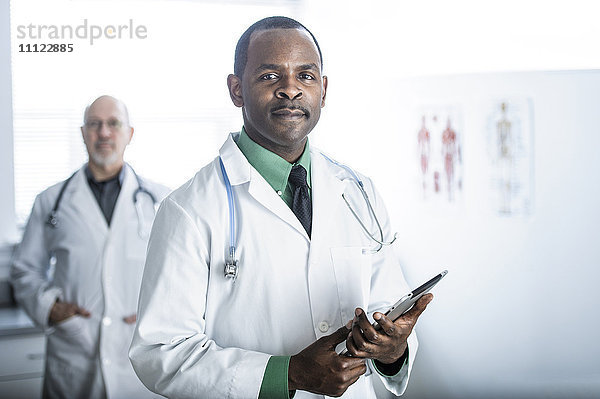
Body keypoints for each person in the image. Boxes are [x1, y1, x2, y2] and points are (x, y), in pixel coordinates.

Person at [129, 17, 433, 399]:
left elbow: (386, 304)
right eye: (270, 76)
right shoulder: (189, 209)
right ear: (236, 90)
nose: (291, 89)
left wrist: (392, 350)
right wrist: (286, 374)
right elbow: (161, 353)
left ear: (323, 90)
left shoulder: (359, 192)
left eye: (306, 76)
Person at [10, 95, 170, 399]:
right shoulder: (50, 201)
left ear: (129, 133)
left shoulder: (162, 200)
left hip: (140, 350)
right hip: (75, 349)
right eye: (94, 124)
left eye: (113, 124)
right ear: (83, 134)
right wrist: (52, 309)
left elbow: (179, 274)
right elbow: (25, 270)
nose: (104, 133)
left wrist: (159, 312)